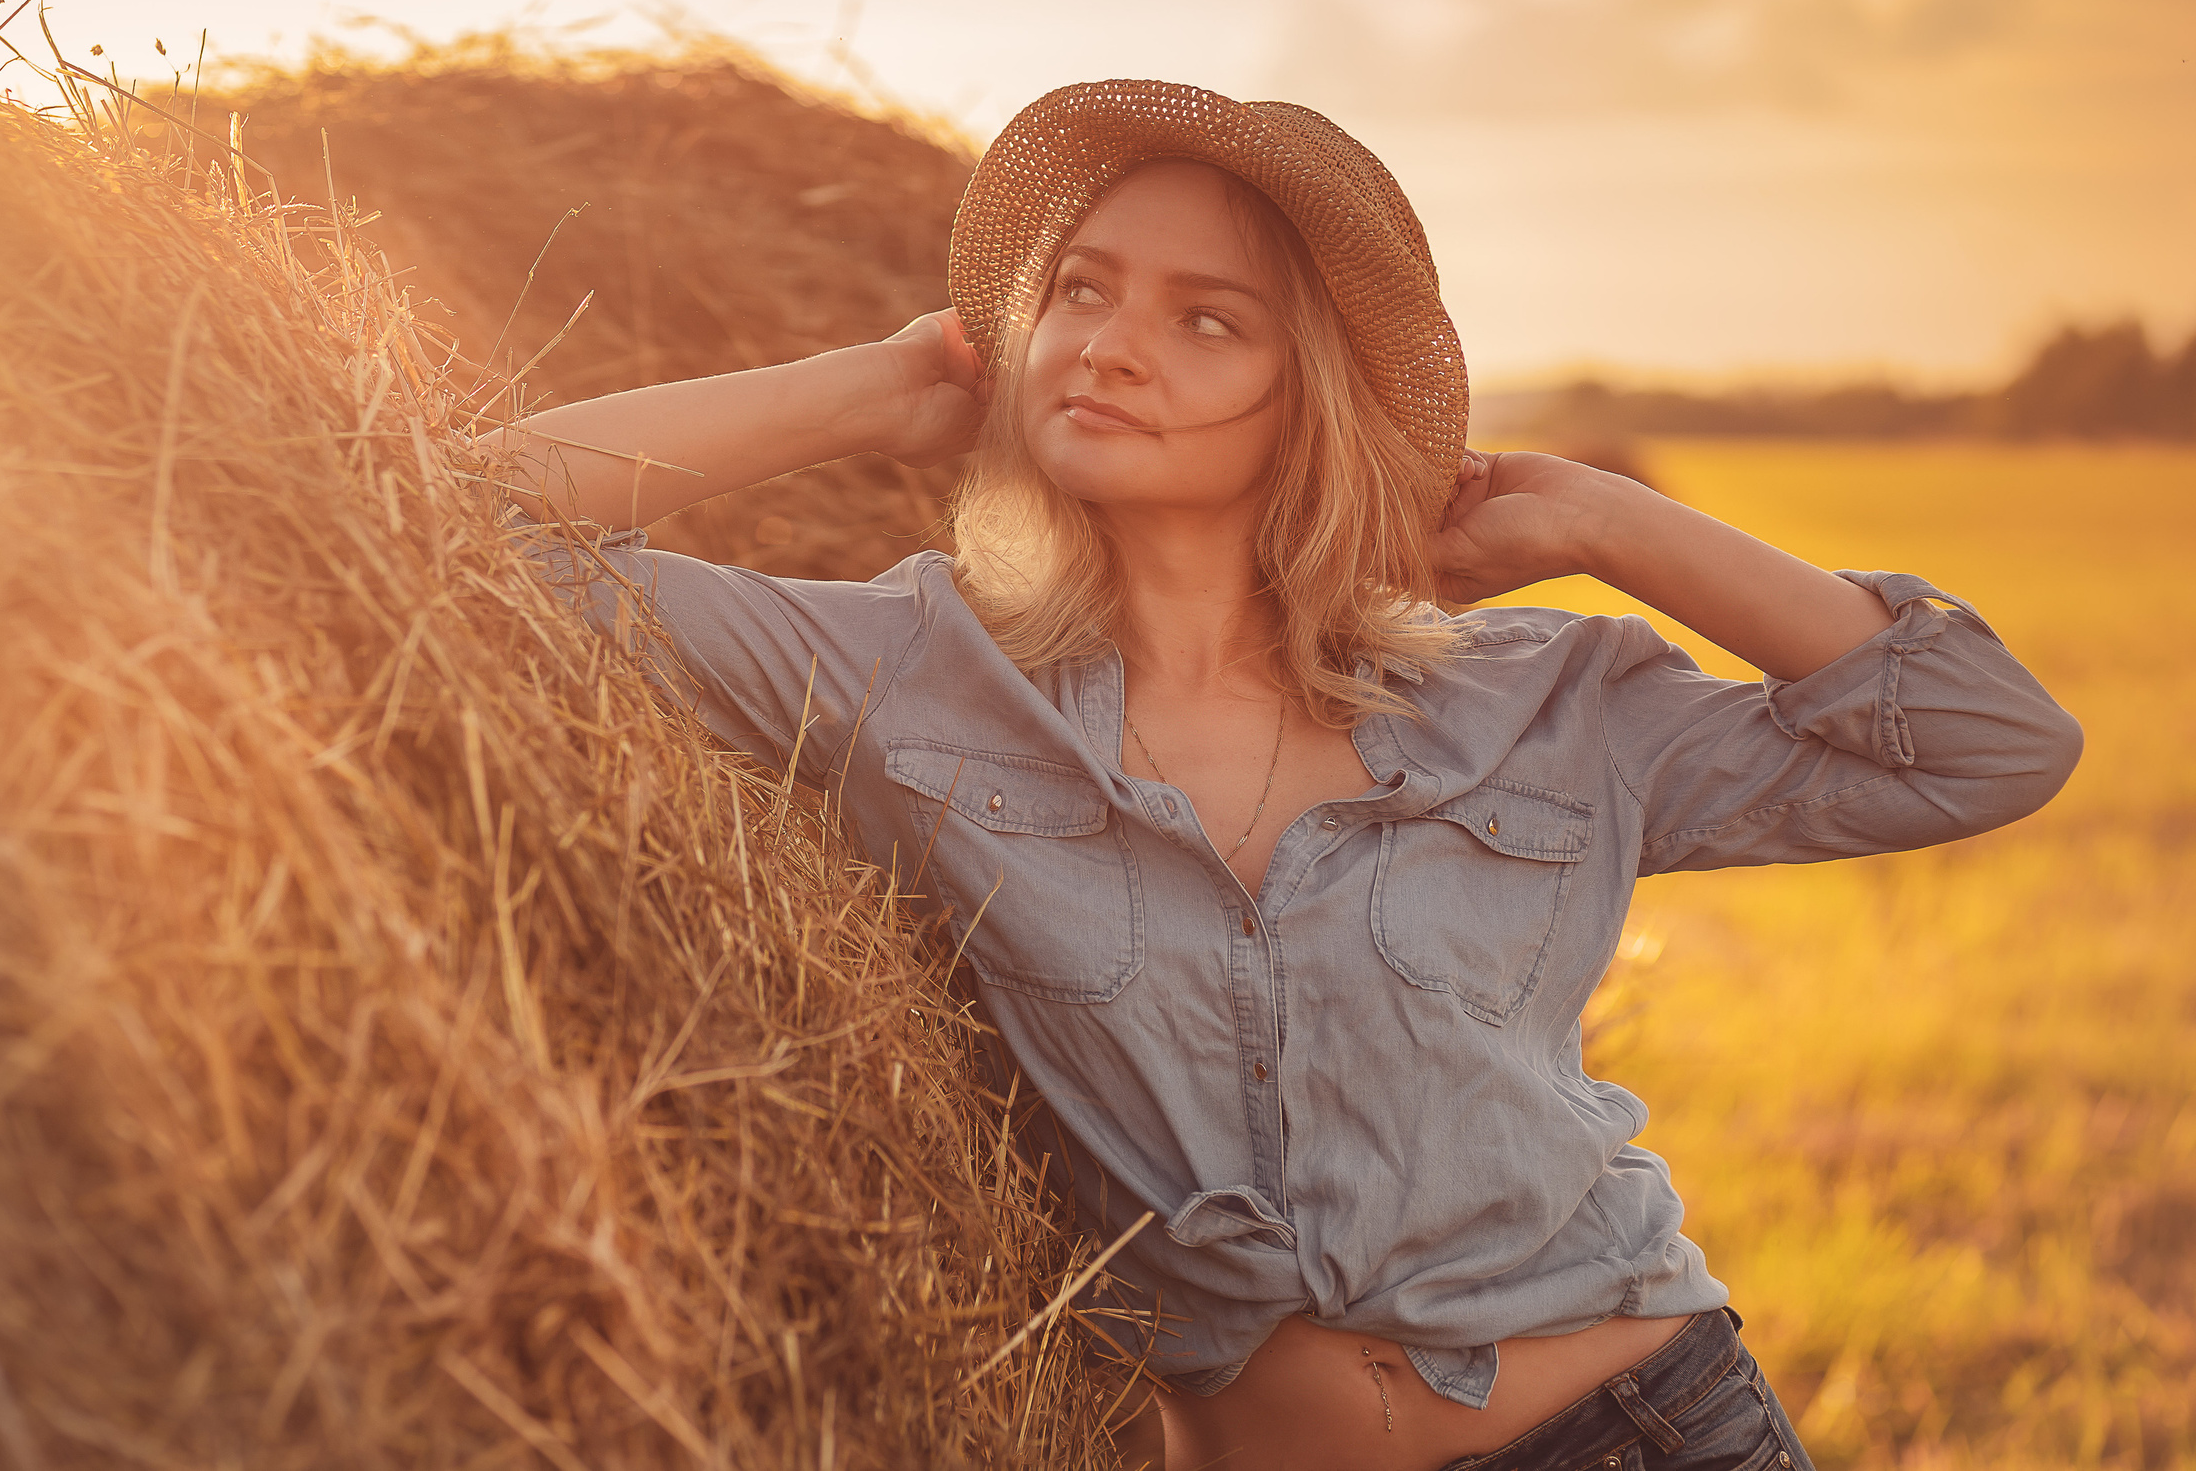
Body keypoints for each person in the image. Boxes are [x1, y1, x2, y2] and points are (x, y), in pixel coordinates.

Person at [494, 80, 2083, 1470]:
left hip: (1642, 1434)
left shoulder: (1540, 707)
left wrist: (1602, 519)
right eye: (1084, 293)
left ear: (1307, 388)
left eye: (1206, 320)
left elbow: (1983, 739)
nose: (1115, 346)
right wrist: (874, 390)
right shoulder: (904, 674)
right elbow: (442, 539)